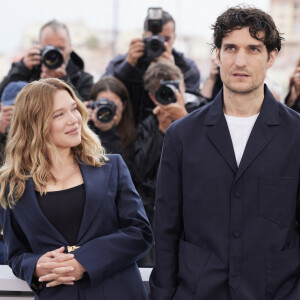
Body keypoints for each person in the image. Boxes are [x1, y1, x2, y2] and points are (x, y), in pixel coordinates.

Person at [149, 6, 300, 300]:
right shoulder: (181, 136)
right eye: (230, 48)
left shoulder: (297, 135)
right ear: (217, 55)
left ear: (271, 57)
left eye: (253, 49)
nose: (240, 61)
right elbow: (166, 231)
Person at [0, 78, 152, 299]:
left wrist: (85, 261)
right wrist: (36, 266)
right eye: (59, 114)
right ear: (35, 124)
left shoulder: (112, 167)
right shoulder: (14, 185)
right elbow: (16, 255)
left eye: (74, 109)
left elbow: (140, 233)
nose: (74, 120)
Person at [134, 61, 206, 268]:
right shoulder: (150, 122)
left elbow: (209, 161)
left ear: (182, 86)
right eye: (161, 92)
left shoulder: (203, 112)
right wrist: (161, 132)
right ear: (151, 96)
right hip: (153, 210)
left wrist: (183, 121)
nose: (168, 95)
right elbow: (139, 171)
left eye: (171, 89)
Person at [104, 9, 200, 126]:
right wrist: (128, 66)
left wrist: (171, 73)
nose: (158, 43)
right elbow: (105, 94)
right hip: (129, 133)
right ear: (143, 37)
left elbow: (193, 108)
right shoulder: (120, 63)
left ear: (174, 38)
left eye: (165, 39)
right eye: (153, 39)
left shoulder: (187, 68)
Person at [0, 20, 93, 101]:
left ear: (70, 47)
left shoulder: (84, 79)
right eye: (50, 48)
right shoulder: (29, 69)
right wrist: (22, 69)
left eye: (61, 48)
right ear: (39, 46)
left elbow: (83, 113)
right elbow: (3, 96)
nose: (55, 53)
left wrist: (63, 82)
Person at [87, 76, 136, 166]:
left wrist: (109, 133)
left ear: (124, 105)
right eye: (102, 106)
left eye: (112, 106)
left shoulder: (136, 135)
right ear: (93, 105)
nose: (107, 111)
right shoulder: (86, 130)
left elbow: (127, 173)